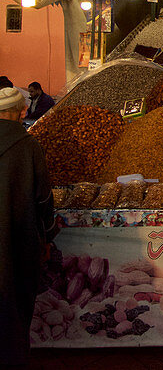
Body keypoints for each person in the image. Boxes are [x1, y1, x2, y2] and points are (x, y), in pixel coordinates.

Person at [0, 86, 57, 365]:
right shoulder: (28, 145)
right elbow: (43, 197)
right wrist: (46, 237)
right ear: (18, 112)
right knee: (15, 301)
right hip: (17, 238)